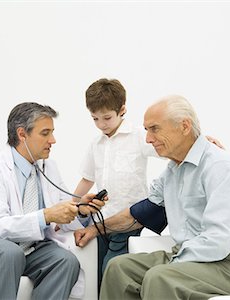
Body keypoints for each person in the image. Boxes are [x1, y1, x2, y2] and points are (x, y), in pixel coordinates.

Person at [74, 95, 230, 299]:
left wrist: (175, 262)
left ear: (185, 126)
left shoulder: (219, 167)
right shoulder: (172, 171)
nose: (148, 139)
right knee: (117, 268)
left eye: (154, 129)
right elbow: (139, 214)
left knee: (158, 277)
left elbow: (219, 240)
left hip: (224, 262)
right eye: (147, 130)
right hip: (186, 255)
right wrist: (94, 230)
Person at [0, 102, 106, 300]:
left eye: (52, 132)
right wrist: (46, 216)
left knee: (66, 262)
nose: (53, 140)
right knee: (9, 253)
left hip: (33, 247)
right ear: (22, 134)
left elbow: (62, 209)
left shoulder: (48, 167)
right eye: (45, 133)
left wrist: (81, 209)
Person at [74, 78, 158, 288]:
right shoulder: (96, 143)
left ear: (122, 110)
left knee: (113, 270)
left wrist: (200, 142)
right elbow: (87, 178)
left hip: (129, 221)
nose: (101, 125)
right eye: (95, 119)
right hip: (100, 222)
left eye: (107, 118)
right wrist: (71, 207)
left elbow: (168, 150)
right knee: (97, 277)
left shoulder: (139, 135)